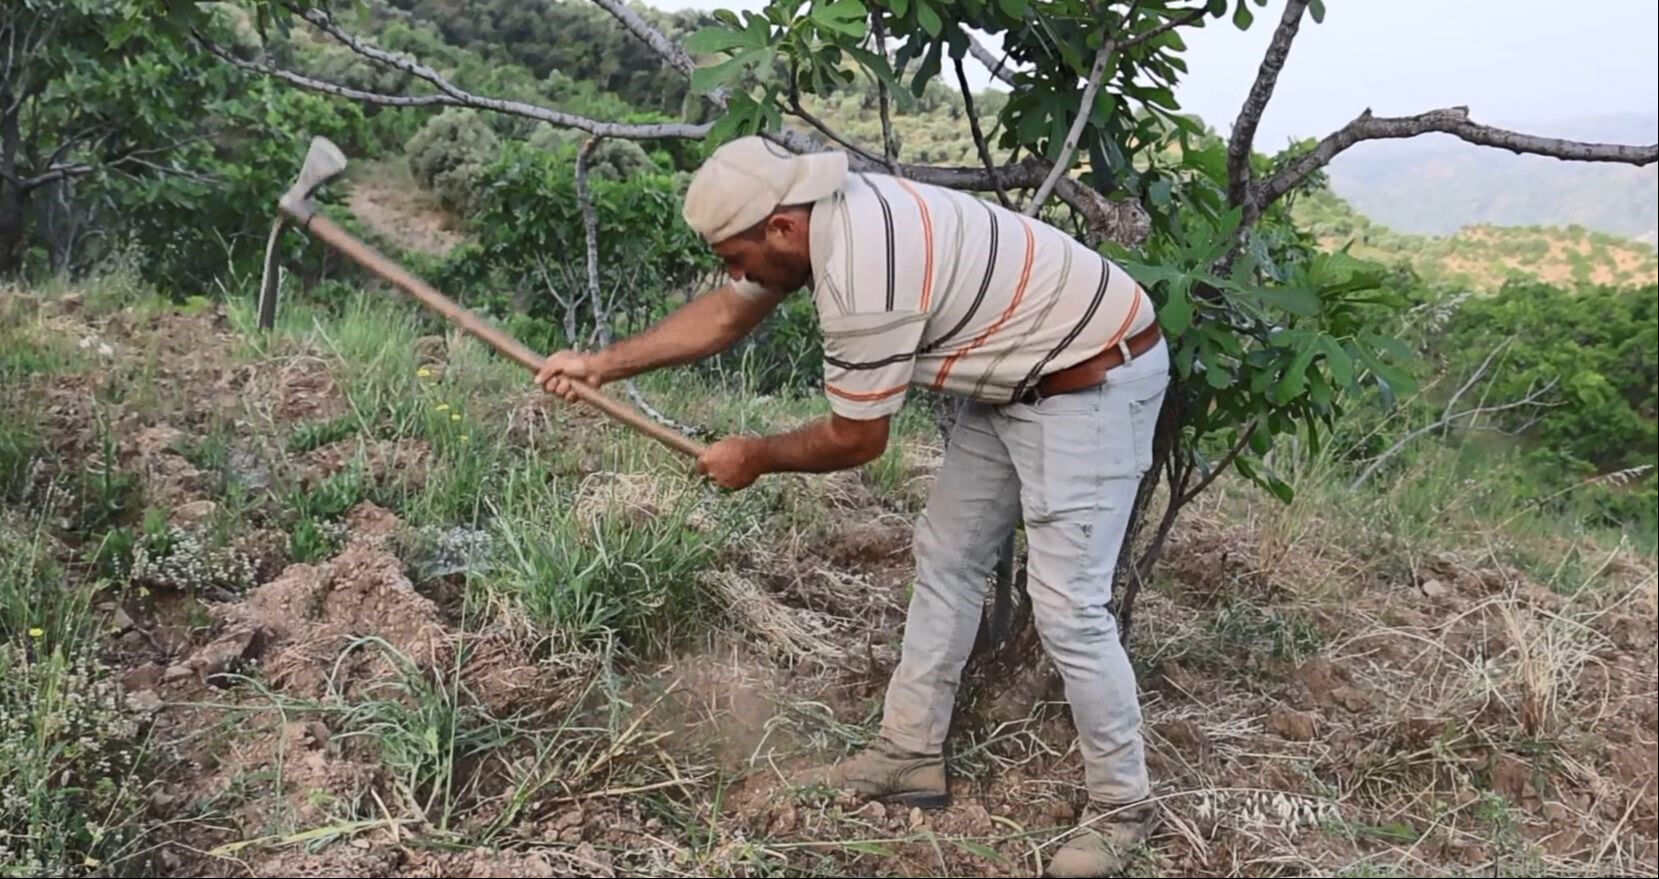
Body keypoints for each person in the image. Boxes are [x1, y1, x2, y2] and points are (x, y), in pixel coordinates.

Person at [536, 135, 1169, 878]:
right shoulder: (817, 221)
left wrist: (756, 456)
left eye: (735, 256)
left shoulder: (865, 273)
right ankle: (908, 754)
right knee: (948, 557)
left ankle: (1124, 809)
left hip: (1090, 378)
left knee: (1067, 607)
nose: (733, 273)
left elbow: (856, 439)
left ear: (781, 227)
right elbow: (729, 313)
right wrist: (600, 366)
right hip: (1016, 372)